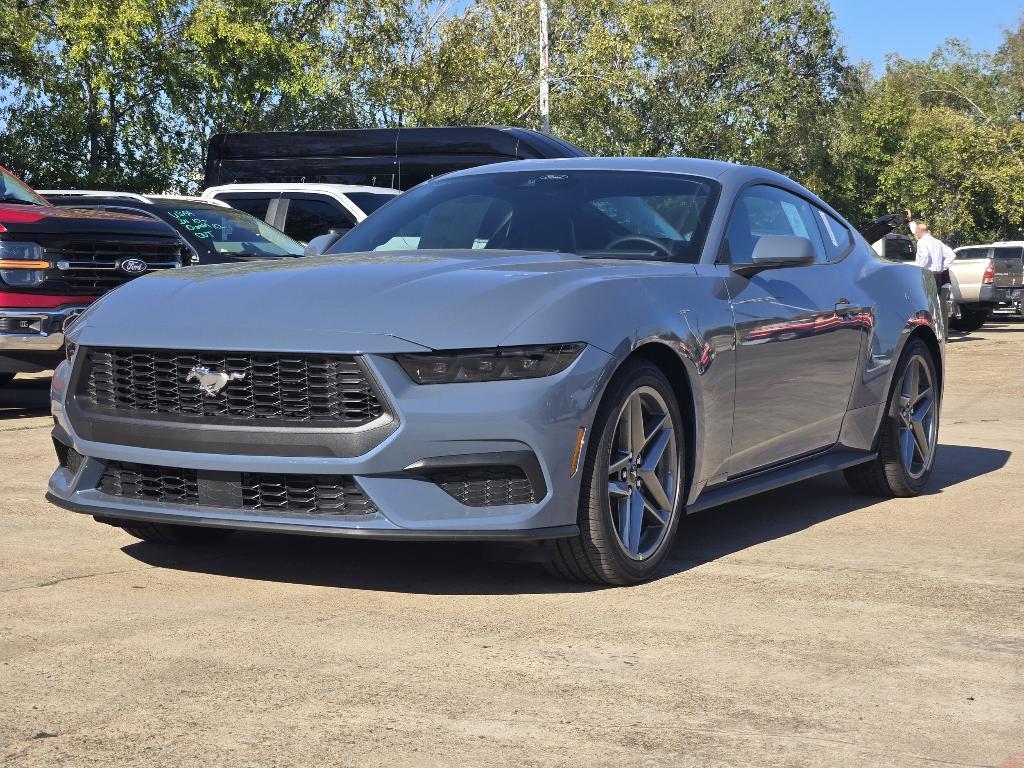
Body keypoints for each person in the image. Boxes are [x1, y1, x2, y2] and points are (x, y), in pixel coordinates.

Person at [904, 209, 955, 290]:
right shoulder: (937, 242)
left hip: (927, 274)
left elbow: (925, 256)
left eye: (916, 233)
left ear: (920, 232)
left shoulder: (922, 242)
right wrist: (942, 267)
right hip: (938, 274)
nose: (915, 235)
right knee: (934, 298)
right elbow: (951, 255)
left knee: (926, 297)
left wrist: (918, 269)